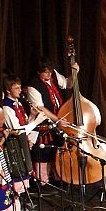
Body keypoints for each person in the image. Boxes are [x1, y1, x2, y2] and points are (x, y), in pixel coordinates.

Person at [25, 56, 77, 184]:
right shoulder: (33, 86)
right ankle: (43, 181)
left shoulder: (53, 74)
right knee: (44, 153)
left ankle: (57, 177)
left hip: (58, 121)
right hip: (44, 124)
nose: (49, 74)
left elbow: (68, 84)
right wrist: (57, 120)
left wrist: (74, 73)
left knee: (56, 150)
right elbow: (40, 108)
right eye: (45, 72)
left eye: (50, 71)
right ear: (39, 72)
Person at [2, 74, 45, 202]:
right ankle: (18, 205)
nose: (20, 90)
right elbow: (17, 130)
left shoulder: (19, 103)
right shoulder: (7, 107)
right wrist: (36, 122)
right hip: (14, 147)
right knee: (19, 174)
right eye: (16, 88)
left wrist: (32, 116)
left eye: (20, 87)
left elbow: (25, 125)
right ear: (8, 90)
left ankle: (25, 203)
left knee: (26, 172)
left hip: (23, 144)